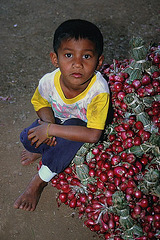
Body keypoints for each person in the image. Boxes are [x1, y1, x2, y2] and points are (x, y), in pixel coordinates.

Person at [14, 19, 110, 211]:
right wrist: (48, 123)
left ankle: (39, 182)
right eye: (68, 55)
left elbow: (93, 135)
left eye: (87, 56)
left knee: (63, 145)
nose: (77, 64)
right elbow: (40, 102)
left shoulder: (99, 92)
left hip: (79, 128)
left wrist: (50, 129)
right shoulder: (48, 81)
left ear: (99, 61)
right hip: (54, 120)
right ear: (55, 59)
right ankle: (40, 150)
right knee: (27, 139)